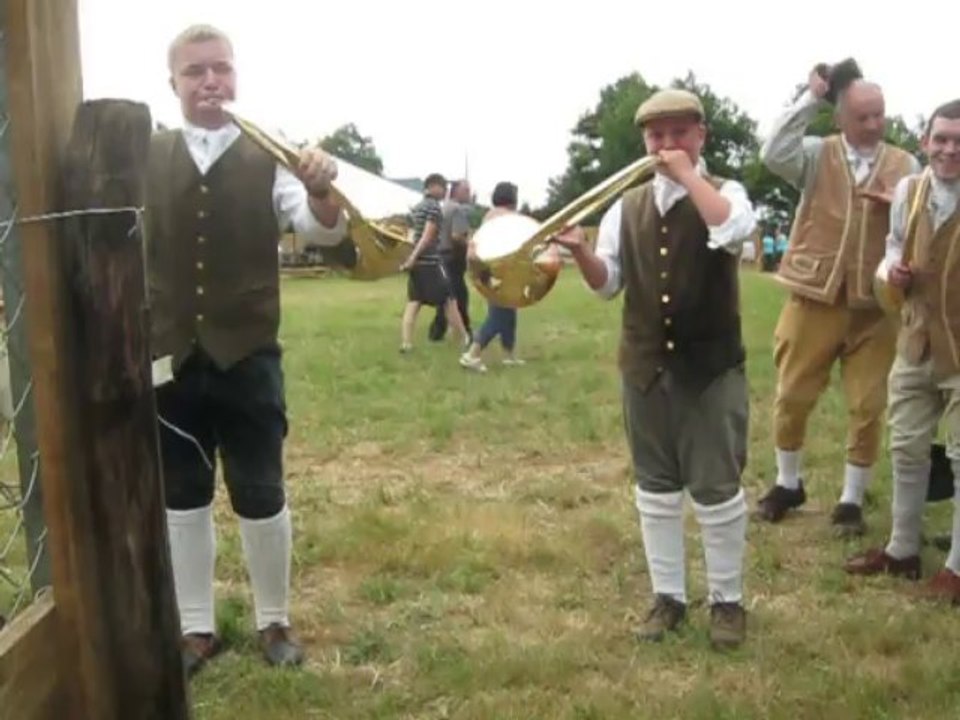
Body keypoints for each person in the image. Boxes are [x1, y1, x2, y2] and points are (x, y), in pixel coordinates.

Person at [146, 24, 348, 676]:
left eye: (221, 68)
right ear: (173, 83)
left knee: (261, 490)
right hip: (171, 357)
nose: (211, 81)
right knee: (183, 494)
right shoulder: (147, 153)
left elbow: (321, 229)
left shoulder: (273, 153)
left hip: (249, 353)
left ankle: (274, 621)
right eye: (195, 72)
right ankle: (196, 628)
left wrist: (320, 188)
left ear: (236, 75)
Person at [554, 88, 757, 649]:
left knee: (717, 489)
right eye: (655, 135)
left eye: (678, 133)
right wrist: (581, 253)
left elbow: (730, 231)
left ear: (701, 135)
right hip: (644, 366)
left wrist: (687, 175)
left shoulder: (726, 191)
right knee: (656, 488)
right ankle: (668, 597)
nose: (666, 145)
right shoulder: (627, 205)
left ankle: (727, 601)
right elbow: (608, 284)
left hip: (709, 368)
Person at [756, 69, 921, 536]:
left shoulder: (906, 164)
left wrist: (898, 207)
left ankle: (851, 500)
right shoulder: (815, 154)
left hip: (875, 305)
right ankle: (788, 483)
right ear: (840, 119)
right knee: (793, 394)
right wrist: (810, 98)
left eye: (879, 115)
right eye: (863, 117)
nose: (874, 125)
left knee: (868, 404)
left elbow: (920, 225)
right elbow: (772, 152)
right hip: (814, 295)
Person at [844, 100, 960, 594]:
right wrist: (891, 271)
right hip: (915, 338)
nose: (949, 150)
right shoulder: (910, 191)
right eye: (941, 139)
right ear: (925, 142)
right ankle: (901, 550)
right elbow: (894, 245)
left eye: (959, 141)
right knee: (906, 447)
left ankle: (957, 569)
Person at [399, 174, 471, 352]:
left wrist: (412, 258)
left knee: (414, 302)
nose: (445, 191)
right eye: (442, 187)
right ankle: (464, 338)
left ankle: (406, 343)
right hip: (430, 261)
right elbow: (427, 236)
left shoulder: (418, 207)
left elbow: (414, 235)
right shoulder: (433, 207)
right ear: (432, 187)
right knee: (449, 300)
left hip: (418, 263)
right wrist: (413, 257)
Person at [459, 182, 526, 372]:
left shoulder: (489, 215)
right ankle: (472, 354)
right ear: (512, 198)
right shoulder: (508, 217)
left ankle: (508, 355)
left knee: (509, 313)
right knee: (499, 317)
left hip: (486, 270)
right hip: (499, 271)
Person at [428, 180, 473, 342]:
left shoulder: (442, 207)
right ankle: (465, 331)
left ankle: (437, 331)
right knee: (459, 295)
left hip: (440, 255)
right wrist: (471, 244)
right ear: (456, 192)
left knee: (447, 295)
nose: (469, 194)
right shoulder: (457, 209)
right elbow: (456, 235)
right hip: (453, 256)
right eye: (466, 190)